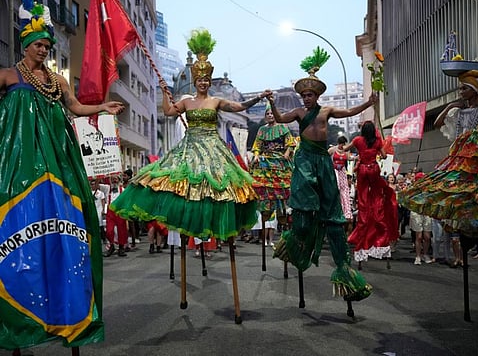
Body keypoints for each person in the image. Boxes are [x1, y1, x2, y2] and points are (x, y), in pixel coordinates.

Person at [0, 0, 124, 350]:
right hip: (21, 160)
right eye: (38, 44)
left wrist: (101, 106)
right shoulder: (9, 75)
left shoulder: (56, 81)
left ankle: (66, 309)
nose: (43, 49)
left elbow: (75, 107)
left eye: (46, 45)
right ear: (25, 45)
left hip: (57, 157)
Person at [110, 29, 271, 256]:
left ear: (209, 82)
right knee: (181, 187)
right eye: (200, 80)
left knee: (217, 189)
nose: (203, 83)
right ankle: (190, 238)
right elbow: (167, 112)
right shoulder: (187, 102)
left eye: (206, 79)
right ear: (195, 82)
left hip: (213, 149)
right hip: (190, 148)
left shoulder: (216, 101)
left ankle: (211, 236)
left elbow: (239, 108)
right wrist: (166, 92)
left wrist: (258, 98)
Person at [269, 47, 375, 301]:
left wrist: (369, 103)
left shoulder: (326, 111)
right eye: (303, 95)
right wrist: (272, 103)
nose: (306, 98)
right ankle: (296, 243)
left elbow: (349, 112)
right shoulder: (298, 113)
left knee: (332, 213)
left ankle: (343, 267)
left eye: (309, 95)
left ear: (316, 95)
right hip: (305, 159)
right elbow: (280, 119)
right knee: (304, 204)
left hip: (323, 160)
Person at [399, 69, 478, 244]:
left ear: (475, 90)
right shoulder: (459, 112)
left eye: (464, 88)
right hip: (459, 160)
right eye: (460, 89)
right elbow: (437, 123)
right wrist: (450, 106)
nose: (461, 92)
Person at [343, 122, 399, 266]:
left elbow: (345, 149)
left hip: (362, 170)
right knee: (376, 198)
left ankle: (364, 212)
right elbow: (385, 155)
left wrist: (351, 156)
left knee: (363, 200)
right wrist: (380, 152)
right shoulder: (377, 141)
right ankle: (377, 209)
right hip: (374, 169)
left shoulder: (357, 140)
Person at [248, 102, 295, 243]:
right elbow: (257, 145)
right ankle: (266, 210)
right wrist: (256, 155)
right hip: (266, 161)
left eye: (271, 113)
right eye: (267, 114)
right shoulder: (262, 129)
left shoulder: (283, 127)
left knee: (282, 188)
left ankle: (282, 211)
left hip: (280, 161)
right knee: (264, 187)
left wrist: (287, 152)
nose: (269, 115)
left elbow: (291, 143)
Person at [328, 136, 353, 224]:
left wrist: (357, 157)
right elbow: (325, 157)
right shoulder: (333, 149)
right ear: (339, 143)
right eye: (342, 144)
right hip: (334, 171)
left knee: (344, 190)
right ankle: (335, 210)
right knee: (336, 188)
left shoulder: (346, 151)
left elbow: (350, 158)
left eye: (344, 144)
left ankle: (347, 212)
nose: (343, 146)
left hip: (342, 171)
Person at [103, 173, 129, 257]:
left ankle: (121, 248)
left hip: (119, 211)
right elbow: (97, 185)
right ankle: (112, 246)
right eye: (113, 179)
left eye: (116, 179)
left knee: (121, 230)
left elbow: (126, 201)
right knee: (109, 231)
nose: (114, 180)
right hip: (110, 212)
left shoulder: (123, 190)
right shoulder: (107, 189)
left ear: (119, 180)